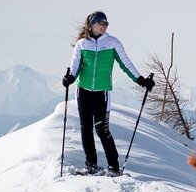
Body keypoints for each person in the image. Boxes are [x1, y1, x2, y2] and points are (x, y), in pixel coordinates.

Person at [62, 11, 154, 176]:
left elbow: (126, 63)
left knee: (102, 129)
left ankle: (114, 167)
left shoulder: (112, 43)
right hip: (83, 92)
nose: (104, 26)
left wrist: (141, 80)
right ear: (91, 25)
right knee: (86, 128)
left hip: (101, 93)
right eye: (101, 23)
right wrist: (69, 79)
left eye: (106, 23)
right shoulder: (82, 44)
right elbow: (75, 67)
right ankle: (91, 164)